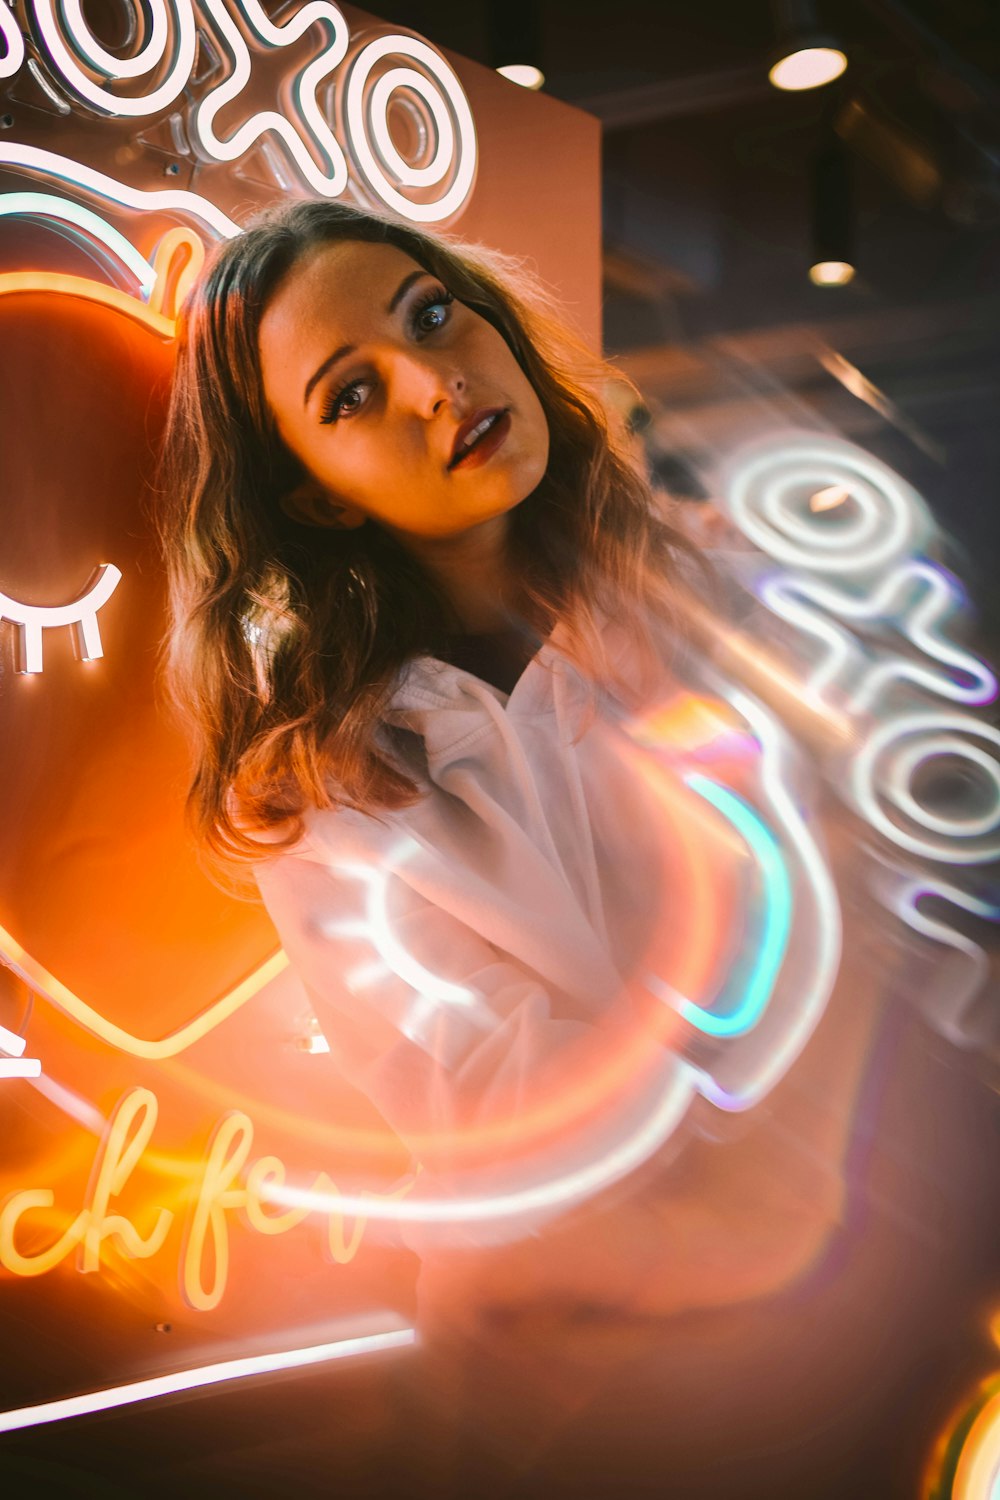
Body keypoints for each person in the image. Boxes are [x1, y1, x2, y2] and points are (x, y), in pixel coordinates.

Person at [157, 201, 874, 1291]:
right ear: (314, 493)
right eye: (352, 395)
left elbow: (883, 883)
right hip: (649, 1336)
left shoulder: (720, 595)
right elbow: (514, 1119)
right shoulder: (341, 793)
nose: (435, 383)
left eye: (434, 316)